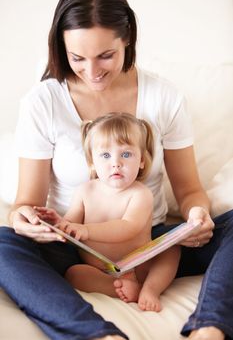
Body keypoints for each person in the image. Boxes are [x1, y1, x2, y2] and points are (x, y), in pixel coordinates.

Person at [0, 0, 232, 339]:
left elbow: (188, 190)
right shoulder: (43, 101)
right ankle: (98, 335)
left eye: (105, 55)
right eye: (77, 57)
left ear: (128, 40)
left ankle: (209, 329)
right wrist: (26, 219)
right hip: (73, 246)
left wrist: (196, 215)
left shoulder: (163, 96)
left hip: (149, 242)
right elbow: (25, 203)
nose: (91, 72)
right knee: (3, 245)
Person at [34, 112, 181, 312]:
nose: (116, 162)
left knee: (171, 251)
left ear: (142, 161)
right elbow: (71, 228)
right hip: (100, 268)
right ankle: (116, 288)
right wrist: (58, 223)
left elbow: (128, 227)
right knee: (75, 273)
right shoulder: (85, 191)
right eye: (105, 155)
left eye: (126, 154)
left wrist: (87, 231)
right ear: (92, 162)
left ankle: (150, 289)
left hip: (138, 264)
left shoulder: (140, 194)